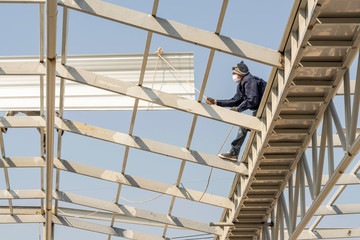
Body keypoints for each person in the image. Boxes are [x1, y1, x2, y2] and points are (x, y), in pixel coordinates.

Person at [205, 61, 267, 161]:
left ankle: (233, 152)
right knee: (245, 125)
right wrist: (216, 102)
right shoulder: (242, 84)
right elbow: (235, 101)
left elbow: (253, 99)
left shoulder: (249, 80)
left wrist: (238, 109)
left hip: (266, 107)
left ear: (240, 72)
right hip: (261, 108)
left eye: (234, 74)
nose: (234, 76)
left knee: (244, 125)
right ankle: (234, 152)